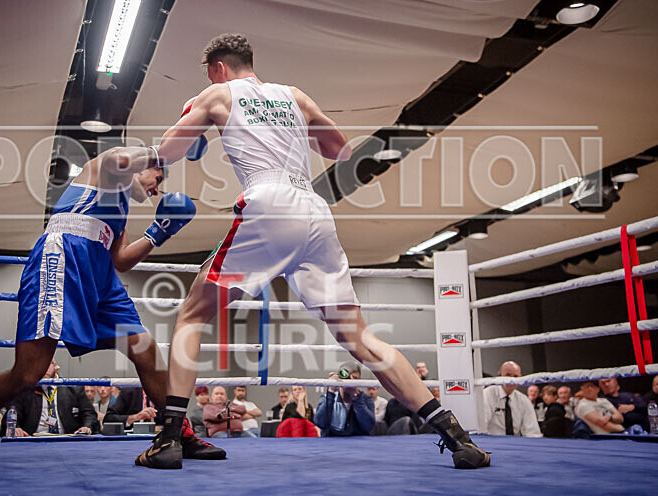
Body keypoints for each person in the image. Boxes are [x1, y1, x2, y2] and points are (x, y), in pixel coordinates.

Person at [137, 32, 489, 470]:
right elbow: (340, 151)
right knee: (361, 339)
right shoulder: (294, 96)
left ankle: (170, 438)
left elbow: (167, 152)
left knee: (192, 314)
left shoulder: (217, 93)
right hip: (314, 211)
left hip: (268, 205)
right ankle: (459, 438)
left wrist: (188, 117)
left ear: (218, 68)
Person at [0, 144, 223, 463]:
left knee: (145, 348)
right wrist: (168, 150)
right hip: (62, 259)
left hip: (101, 278)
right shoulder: (101, 172)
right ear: (143, 167)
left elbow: (120, 261)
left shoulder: (120, 211)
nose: (157, 189)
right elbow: (118, 161)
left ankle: (177, 432)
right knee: (29, 372)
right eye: (157, 178)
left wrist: (157, 234)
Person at [5, 360, 97, 437]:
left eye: (46, 364)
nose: (42, 368)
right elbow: (12, 413)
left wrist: (86, 426)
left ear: (55, 366)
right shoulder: (25, 390)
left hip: (68, 438)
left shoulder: (73, 388)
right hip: (32, 439)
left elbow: (89, 414)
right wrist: (15, 428)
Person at [313, 363, 375, 437]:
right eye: (347, 377)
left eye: (355, 378)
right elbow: (320, 423)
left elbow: (368, 427)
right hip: (332, 443)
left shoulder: (366, 399)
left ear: (359, 381)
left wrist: (356, 397)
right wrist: (331, 391)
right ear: (340, 378)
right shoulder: (327, 397)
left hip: (357, 444)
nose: (350, 381)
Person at [482, 361, 542, 437]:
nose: (511, 379)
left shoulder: (523, 400)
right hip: (491, 443)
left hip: (516, 444)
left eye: (516, 376)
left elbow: (532, 432)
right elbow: (482, 427)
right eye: (508, 375)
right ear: (500, 375)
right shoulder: (488, 394)